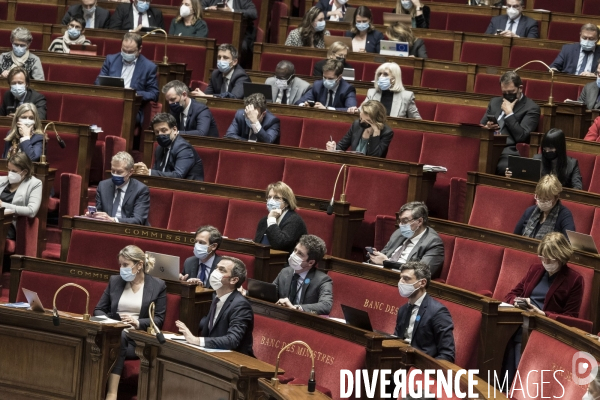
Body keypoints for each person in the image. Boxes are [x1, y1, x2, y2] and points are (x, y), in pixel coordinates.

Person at [502, 232, 583, 383]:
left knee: (518, 373)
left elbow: (571, 317)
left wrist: (543, 314)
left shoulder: (575, 279)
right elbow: (511, 294)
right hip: (517, 322)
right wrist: (517, 301)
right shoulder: (535, 269)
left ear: (561, 257)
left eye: (549, 259)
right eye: (542, 257)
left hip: (543, 328)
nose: (545, 262)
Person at [95, 245, 167, 400]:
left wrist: (137, 322)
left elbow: (159, 320)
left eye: (125, 265)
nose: (121, 269)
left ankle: (111, 393)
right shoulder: (115, 281)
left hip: (137, 340)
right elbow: (99, 309)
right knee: (116, 338)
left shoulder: (157, 286)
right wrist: (113, 323)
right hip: (114, 333)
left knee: (118, 341)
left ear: (139, 265)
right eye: (120, 265)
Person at [175, 256, 254, 356]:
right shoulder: (216, 297)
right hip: (214, 355)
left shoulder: (240, 305)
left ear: (233, 280)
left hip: (236, 361)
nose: (215, 272)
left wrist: (196, 340)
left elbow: (232, 340)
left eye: (221, 270)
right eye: (216, 268)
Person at [480, 71, 540, 174]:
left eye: (511, 92)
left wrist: (509, 114)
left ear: (520, 88)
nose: (508, 96)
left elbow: (522, 136)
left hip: (508, 151)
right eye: (505, 93)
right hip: (487, 146)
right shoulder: (494, 102)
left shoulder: (531, 108)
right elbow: (481, 125)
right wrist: (487, 127)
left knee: (500, 167)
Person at [393, 261, 455, 362]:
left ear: (422, 283)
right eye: (401, 277)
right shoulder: (403, 309)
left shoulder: (438, 312)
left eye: (406, 279)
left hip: (421, 368)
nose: (401, 282)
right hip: (400, 362)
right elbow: (396, 341)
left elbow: (447, 355)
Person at [95, 33, 159, 124]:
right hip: (109, 102)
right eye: (124, 51)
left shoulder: (149, 67)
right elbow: (98, 82)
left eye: (131, 52)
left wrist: (133, 93)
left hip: (132, 108)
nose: (126, 54)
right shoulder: (111, 60)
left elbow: (154, 94)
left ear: (140, 49)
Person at [368, 202, 444, 279]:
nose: (401, 225)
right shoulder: (398, 233)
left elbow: (422, 273)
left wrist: (387, 263)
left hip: (403, 281)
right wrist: (375, 257)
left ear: (419, 221)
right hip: (382, 274)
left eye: (405, 221)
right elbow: (384, 254)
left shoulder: (433, 243)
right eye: (400, 221)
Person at [133, 113, 204, 180]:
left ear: (175, 130)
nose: (160, 134)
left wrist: (149, 172)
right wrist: (141, 170)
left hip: (188, 190)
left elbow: (178, 176)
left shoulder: (184, 148)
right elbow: (157, 172)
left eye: (164, 130)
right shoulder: (159, 148)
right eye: (157, 132)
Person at [273, 234, 332, 315]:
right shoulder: (285, 272)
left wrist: (297, 308)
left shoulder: (322, 280)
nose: (294, 255)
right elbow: (270, 292)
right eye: (295, 250)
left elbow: (326, 305)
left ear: (311, 262)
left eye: (300, 254)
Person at [85, 151, 150, 225]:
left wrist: (113, 220)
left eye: (119, 172)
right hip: (107, 228)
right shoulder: (103, 186)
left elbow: (138, 220)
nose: (115, 175)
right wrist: (93, 215)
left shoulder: (141, 190)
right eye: (113, 171)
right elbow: (99, 212)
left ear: (130, 172)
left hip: (129, 231)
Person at [506, 129, 582, 190]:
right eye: (545, 148)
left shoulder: (572, 164)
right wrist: (511, 177)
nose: (547, 151)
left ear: (560, 148)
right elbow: (525, 183)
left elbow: (578, 188)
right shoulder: (536, 160)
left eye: (551, 148)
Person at [514, 175, 575, 239]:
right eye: (540, 198)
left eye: (546, 199)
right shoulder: (530, 211)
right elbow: (515, 239)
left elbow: (568, 243)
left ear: (556, 197)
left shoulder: (564, 215)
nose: (542, 202)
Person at [326, 100, 393, 158]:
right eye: (361, 118)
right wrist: (333, 148)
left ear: (376, 120)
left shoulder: (386, 132)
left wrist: (376, 132)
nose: (361, 122)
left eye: (367, 121)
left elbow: (374, 158)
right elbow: (342, 146)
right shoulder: (356, 124)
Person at [254, 181, 307, 254]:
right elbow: (257, 245)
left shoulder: (294, 220)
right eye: (269, 197)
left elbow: (279, 244)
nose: (271, 201)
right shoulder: (264, 220)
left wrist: (272, 220)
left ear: (287, 202)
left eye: (276, 198)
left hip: (284, 262)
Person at [0, 152, 42, 240]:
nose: (10, 174)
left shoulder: (35, 184)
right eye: (9, 170)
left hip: (9, 225)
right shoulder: (1, 180)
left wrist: (3, 205)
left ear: (25, 172)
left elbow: (31, 211)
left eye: (14, 171)